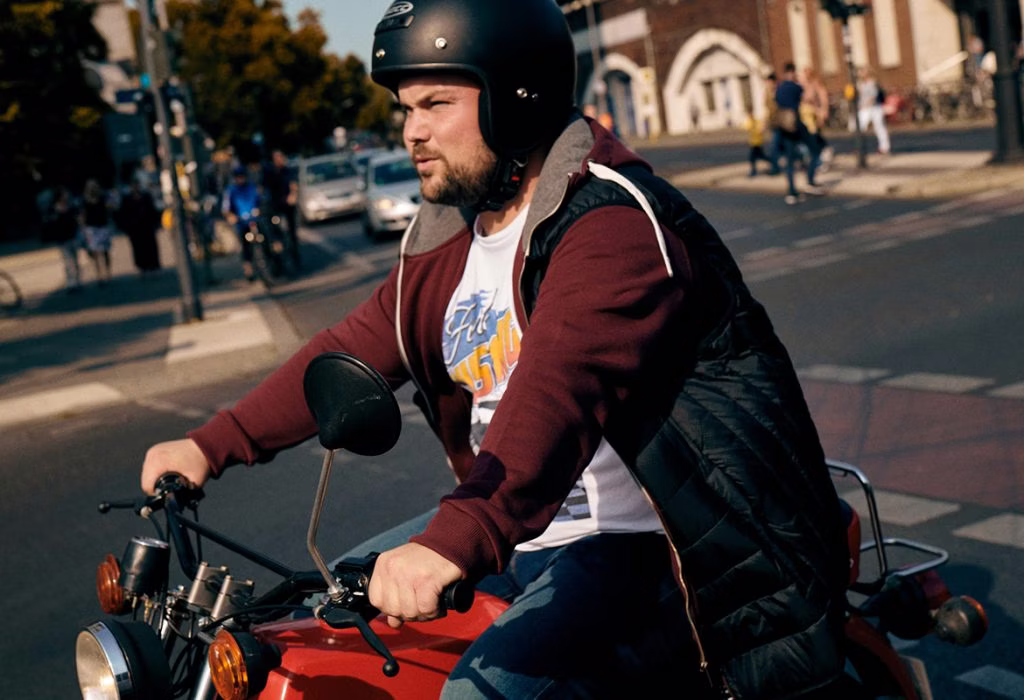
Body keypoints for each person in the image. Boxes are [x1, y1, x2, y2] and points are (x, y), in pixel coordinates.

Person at [140, 1, 849, 697]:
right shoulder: (455, 231)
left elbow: (555, 392)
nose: (413, 132)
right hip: (531, 534)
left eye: (436, 104)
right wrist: (211, 444)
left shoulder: (610, 226)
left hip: (660, 546)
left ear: (517, 98)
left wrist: (459, 534)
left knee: (476, 694)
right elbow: (354, 344)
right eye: (406, 109)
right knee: (317, 630)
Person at [775, 62, 826, 204]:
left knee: (790, 161)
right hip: (797, 125)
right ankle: (810, 181)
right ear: (792, 72)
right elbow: (807, 98)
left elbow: (777, 103)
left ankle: (791, 192)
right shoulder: (795, 87)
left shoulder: (779, 89)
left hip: (784, 127)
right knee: (815, 150)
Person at [222, 165, 262, 282]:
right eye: (238, 177)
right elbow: (226, 208)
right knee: (245, 247)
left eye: (242, 177)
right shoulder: (231, 191)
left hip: (256, 220)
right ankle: (248, 269)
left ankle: (272, 257)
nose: (241, 179)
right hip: (242, 223)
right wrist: (231, 216)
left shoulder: (252, 187)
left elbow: (260, 198)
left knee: (266, 236)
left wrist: (261, 208)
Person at [262, 149, 300, 270]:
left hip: (287, 205)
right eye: (277, 158)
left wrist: (293, 195)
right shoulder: (269, 172)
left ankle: (295, 256)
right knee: (273, 232)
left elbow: (293, 184)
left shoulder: (288, 171)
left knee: (291, 231)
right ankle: (277, 259)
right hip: (273, 206)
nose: (280, 160)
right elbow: (262, 188)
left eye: (281, 157)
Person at [117, 178, 162, 275]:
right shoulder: (127, 199)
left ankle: (153, 265)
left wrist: (155, 222)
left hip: (147, 226)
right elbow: (124, 213)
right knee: (138, 248)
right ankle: (142, 265)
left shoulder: (145, 196)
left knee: (150, 245)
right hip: (135, 228)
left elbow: (152, 210)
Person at [42, 186, 83, 293]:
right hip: (62, 239)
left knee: (75, 260)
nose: (66, 196)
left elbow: (78, 218)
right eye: (64, 194)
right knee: (68, 261)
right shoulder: (53, 208)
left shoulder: (71, 206)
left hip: (73, 236)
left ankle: (77, 280)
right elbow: (49, 222)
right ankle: (71, 283)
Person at [79, 179, 114, 285]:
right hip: (92, 229)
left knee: (105, 252)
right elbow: (83, 215)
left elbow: (110, 208)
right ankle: (99, 275)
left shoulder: (103, 198)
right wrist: (83, 228)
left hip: (103, 226)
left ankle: (108, 273)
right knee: (95, 253)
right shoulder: (85, 201)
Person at [801, 66, 833, 170]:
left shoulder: (816, 84)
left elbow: (823, 98)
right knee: (813, 137)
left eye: (807, 73)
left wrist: (823, 112)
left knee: (815, 137)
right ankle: (820, 157)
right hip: (807, 116)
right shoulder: (806, 85)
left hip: (816, 115)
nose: (805, 75)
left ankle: (823, 156)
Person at [857, 67, 891, 155]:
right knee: (859, 127)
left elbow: (873, 96)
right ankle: (860, 148)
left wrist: (865, 105)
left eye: (862, 72)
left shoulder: (873, 83)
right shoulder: (861, 84)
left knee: (879, 127)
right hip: (864, 108)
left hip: (874, 108)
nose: (859, 74)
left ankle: (884, 147)